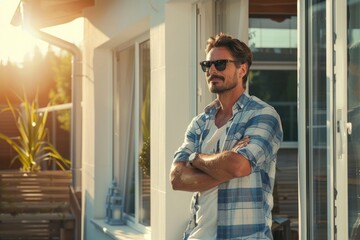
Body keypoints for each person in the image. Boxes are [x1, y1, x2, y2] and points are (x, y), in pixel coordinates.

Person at [170, 33, 283, 240]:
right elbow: (177, 179)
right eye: (208, 65)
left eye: (220, 64)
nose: (212, 70)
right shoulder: (200, 122)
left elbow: (238, 166)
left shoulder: (263, 115)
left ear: (242, 69)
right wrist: (226, 161)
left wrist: (196, 159)